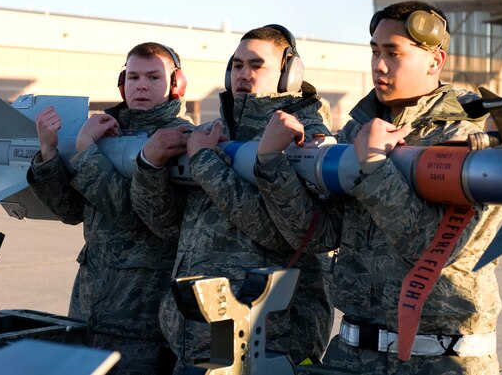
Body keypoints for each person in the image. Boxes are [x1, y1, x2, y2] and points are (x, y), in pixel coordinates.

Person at [255, 1, 502, 375]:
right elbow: (318, 235)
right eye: (375, 51)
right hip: (353, 355)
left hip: (439, 360)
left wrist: (373, 166)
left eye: (394, 52)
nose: (379, 65)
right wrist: (272, 165)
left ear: (435, 61)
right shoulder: (357, 132)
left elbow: (435, 252)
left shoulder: (472, 144)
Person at [132, 25, 334, 373]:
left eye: (256, 65)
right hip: (195, 340)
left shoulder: (306, 139)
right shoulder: (215, 133)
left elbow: (286, 233)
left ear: (290, 74)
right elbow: (168, 227)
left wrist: (206, 164)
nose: (243, 74)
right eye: (237, 65)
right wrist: (149, 165)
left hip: (266, 346)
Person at [27, 42, 193, 375]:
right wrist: (49, 153)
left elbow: (134, 215)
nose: (141, 85)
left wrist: (86, 151)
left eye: (152, 77)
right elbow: (71, 210)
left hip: (141, 319)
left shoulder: (181, 141)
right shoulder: (107, 131)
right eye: (132, 77)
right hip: (88, 307)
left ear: (176, 84)